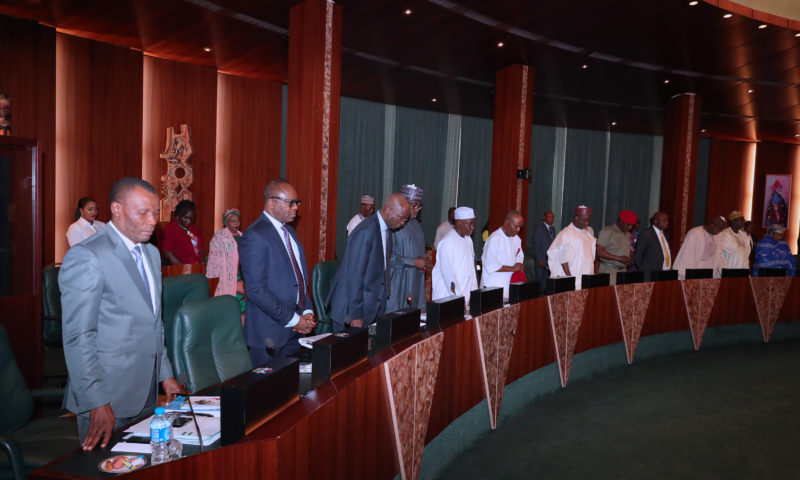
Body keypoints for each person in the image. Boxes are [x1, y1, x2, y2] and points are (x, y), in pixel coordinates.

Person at [58, 177, 181, 450]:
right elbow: (79, 337)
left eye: (155, 213)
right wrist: (96, 401)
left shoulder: (150, 253)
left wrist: (165, 374)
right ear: (116, 209)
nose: (152, 220)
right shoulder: (88, 256)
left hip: (146, 391)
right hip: (107, 397)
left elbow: (153, 321)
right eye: (143, 213)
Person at [238, 179, 316, 365]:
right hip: (269, 334)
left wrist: (307, 311)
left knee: (292, 389)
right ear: (272, 202)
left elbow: (298, 279)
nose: (295, 208)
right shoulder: (254, 235)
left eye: (297, 203)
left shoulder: (290, 232)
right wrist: (293, 319)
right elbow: (256, 290)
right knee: (268, 392)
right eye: (290, 203)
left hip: (294, 331)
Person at [327, 193, 411, 331]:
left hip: (369, 305)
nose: (403, 223)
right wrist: (356, 315)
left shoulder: (386, 230)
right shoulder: (366, 231)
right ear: (388, 211)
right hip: (351, 310)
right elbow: (355, 276)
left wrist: (381, 306)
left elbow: (381, 270)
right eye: (402, 218)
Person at [387, 184, 431, 313]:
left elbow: (418, 251)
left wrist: (423, 263)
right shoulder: (394, 223)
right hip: (398, 281)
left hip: (416, 280)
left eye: (419, 206)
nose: (417, 209)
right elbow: (387, 256)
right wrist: (413, 262)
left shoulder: (416, 225)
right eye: (414, 205)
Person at [432, 206, 478, 301]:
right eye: (470, 224)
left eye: (473, 224)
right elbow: (448, 275)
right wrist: (458, 298)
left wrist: (474, 295)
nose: (472, 228)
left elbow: (471, 271)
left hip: (464, 295)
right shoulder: (447, 242)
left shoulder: (468, 240)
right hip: (448, 297)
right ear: (459, 222)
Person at [206, 208, 245, 314]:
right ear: (226, 222)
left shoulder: (243, 236)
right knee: (227, 306)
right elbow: (214, 258)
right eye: (233, 221)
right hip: (226, 276)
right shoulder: (219, 237)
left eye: (238, 221)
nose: (236, 224)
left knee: (241, 307)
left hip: (242, 275)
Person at [547, 205, 596, 290]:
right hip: (573, 279)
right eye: (585, 220)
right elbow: (563, 260)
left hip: (586, 278)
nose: (587, 223)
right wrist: (570, 280)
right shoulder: (566, 233)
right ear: (576, 218)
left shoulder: (587, 235)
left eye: (588, 221)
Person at [480, 210, 525, 298]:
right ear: (506, 223)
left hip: (509, 286)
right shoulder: (494, 238)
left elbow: (519, 256)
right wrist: (512, 268)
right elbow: (490, 264)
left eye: (520, 227)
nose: (518, 230)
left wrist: (519, 264)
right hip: (492, 287)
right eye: (516, 226)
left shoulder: (517, 239)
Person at [596, 210, 637, 284]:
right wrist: (618, 258)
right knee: (609, 295)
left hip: (622, 272)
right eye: (628, 225)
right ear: (621, 221)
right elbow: (599, 251)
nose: (630, 227)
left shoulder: (627, 234)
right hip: (608, 271)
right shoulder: (607, 231)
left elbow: (626, 249)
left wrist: (630, 257)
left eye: (632, 225)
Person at [161, 199, 204, 265]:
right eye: (186, 218)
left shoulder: (195, 229)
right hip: (179, 270)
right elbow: (168, 254)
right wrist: (184, 269)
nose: (189, 221)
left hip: (195, 269)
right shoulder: (171, 230)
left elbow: (201, 249)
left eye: (191, 218)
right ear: (178, 216)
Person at [531, 210, 556, 292]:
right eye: (549, 217)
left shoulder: (553, 229)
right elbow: (536, 246)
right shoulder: (539, 228)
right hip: (541, 261)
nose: (551, 219)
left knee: (547, 286)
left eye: (552, 218)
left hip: (550, 261)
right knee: (540, 286)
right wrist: (539, 260)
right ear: (544, 218)